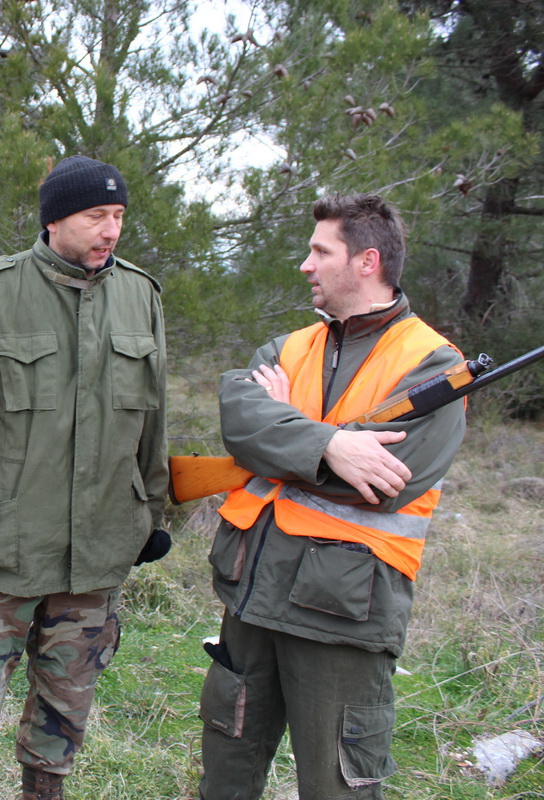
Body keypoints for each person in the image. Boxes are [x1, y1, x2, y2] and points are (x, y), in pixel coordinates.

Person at [0, 156, 170, 800]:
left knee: (65, 712)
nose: (111, 231)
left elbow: (152, 422)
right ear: (55, 221)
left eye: (119, 217)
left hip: (96, 551)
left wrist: (151, 512)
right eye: (95, 217)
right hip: (3, 548)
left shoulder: (141, 294)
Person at [198, 194, 468, 800]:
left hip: (342, 612)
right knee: (226, 765)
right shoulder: (288, 349)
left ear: (367, 261)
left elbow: (389, 479)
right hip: (252, 594)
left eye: (320, 251)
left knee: (337, 785)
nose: (306, 264)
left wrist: (290, 432)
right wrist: (329, 445)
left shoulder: (434, 362)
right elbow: (240, 421)